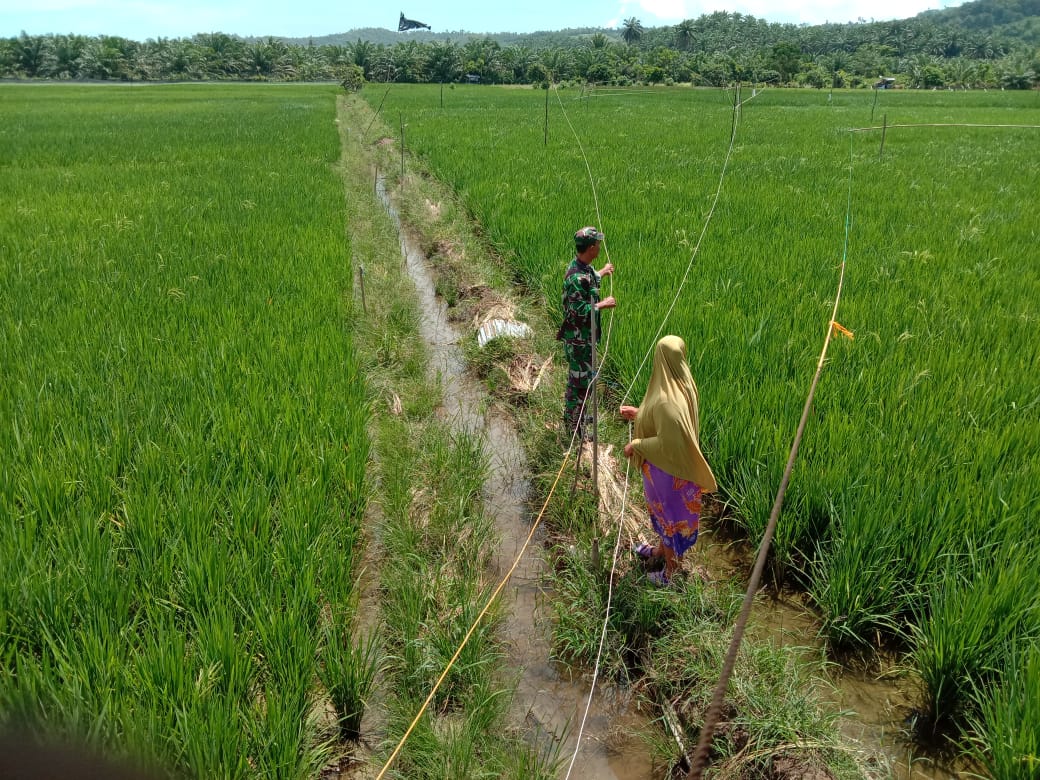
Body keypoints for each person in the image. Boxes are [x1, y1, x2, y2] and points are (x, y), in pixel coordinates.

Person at [621, 335, 717, 586]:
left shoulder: (666, 400)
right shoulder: (682, 384)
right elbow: (674, 427)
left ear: (660, 359)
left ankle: (671, 576)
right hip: (676, 469)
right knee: (666, 520)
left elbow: (668, 443)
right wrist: (640, 414)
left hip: (668, 473)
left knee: (672, 522)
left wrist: (636, 445)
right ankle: (661, 552)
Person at [556, 226, 615, 439]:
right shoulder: (575, 277)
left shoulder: (584, 268)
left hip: (586, 339)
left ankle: (578, 416)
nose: (600, 246)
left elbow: (588, 282)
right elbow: (577, 312)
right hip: (578, 342)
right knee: (579, 384)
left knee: (585, 381)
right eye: (598, 244)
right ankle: (574, 428)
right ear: (591, 248)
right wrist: (602, 305)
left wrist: (603, 272)